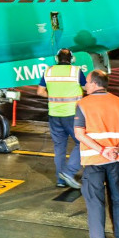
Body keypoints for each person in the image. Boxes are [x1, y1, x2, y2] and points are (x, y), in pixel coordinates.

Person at [74, 70, 119, 238]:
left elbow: (79, 134)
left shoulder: (83, 104)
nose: (85, 86)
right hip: (115, 160)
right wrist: (116, 149)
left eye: (87, 83)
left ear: (94, 83)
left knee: (95, 202)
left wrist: (102, 150)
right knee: (117, 198)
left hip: (94, 160)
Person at [36, 48, 85, 189]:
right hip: (72, 114)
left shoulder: (48, 71)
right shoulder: (75, 71)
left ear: (57, 59)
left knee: (59, 148)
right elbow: (87, 88)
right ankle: (69, 172)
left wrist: (52, 96)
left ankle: (61, 180)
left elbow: (40, 92)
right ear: (72, 59)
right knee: (82, 142)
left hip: (54, 115)